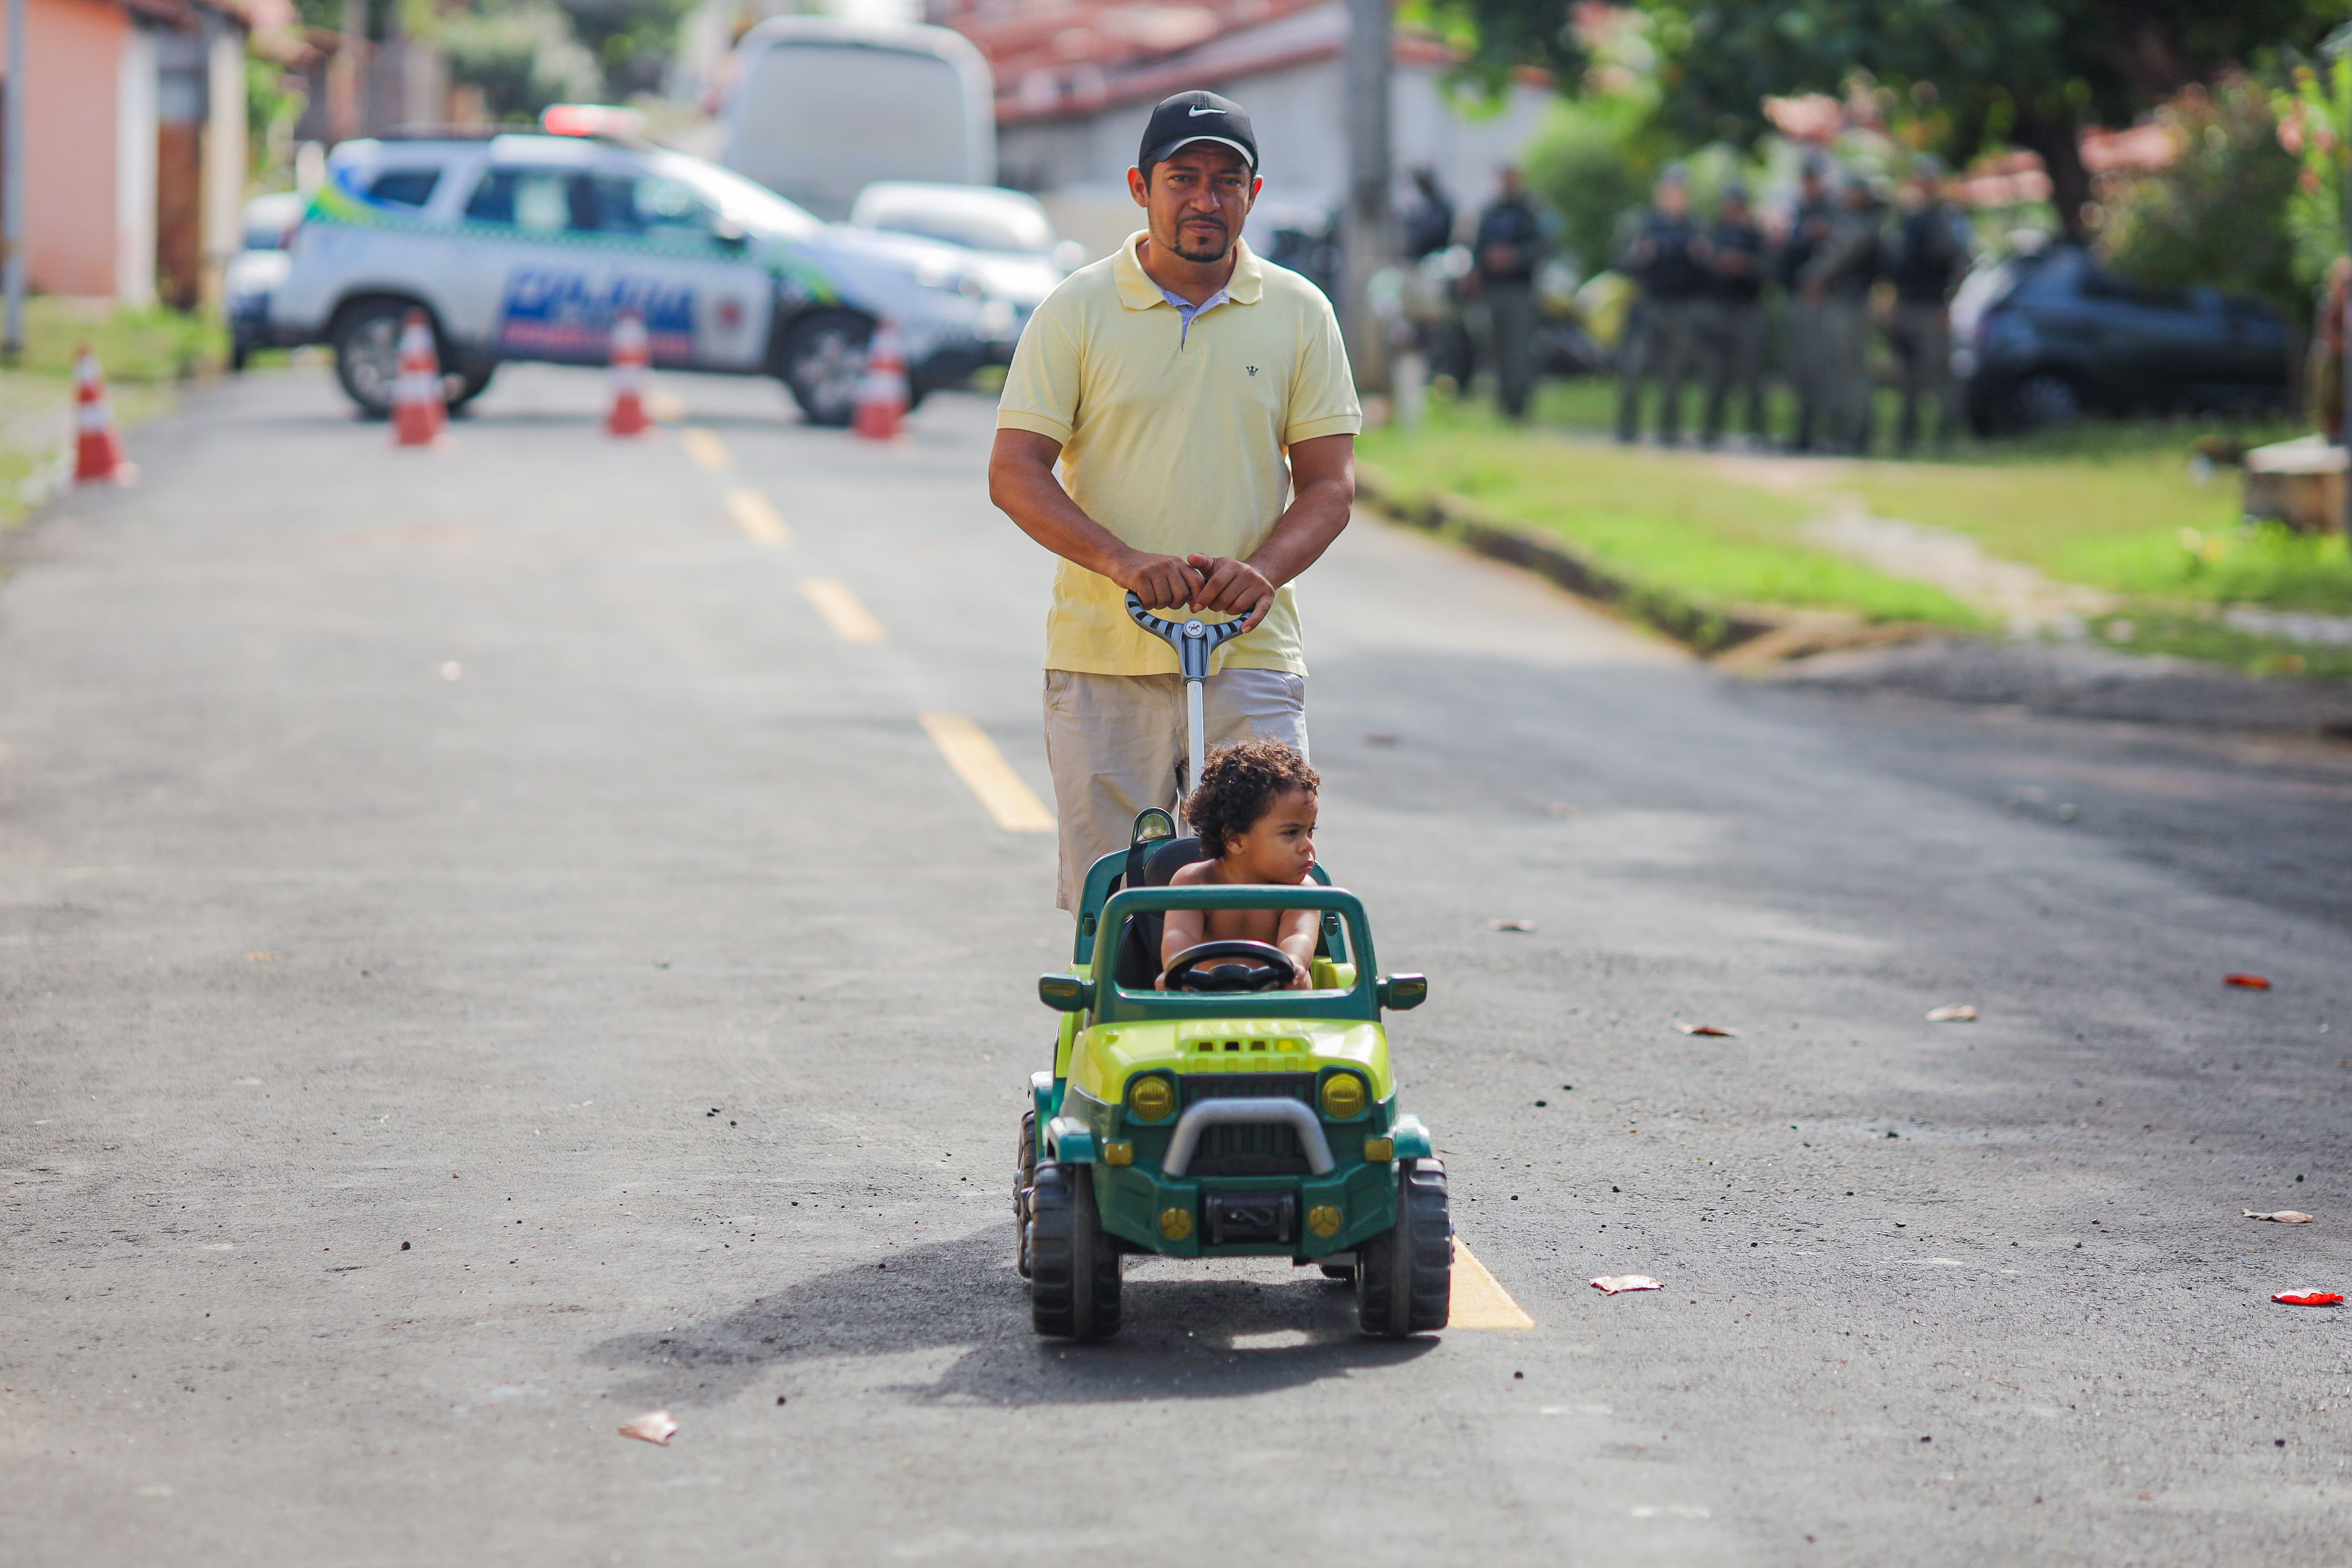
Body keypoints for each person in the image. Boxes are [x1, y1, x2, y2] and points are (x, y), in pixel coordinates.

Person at [987, 90, 1361, 914]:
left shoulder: (1301, 313)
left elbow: (1330, 486)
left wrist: (1260, 573)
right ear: (1140, 187)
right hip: (1103, 657)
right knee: (1117, 900)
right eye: (1182, 177)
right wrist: (1122, 562)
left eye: (1228, 181)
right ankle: (1114, 1041)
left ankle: (1259, 1034)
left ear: (1253, 195)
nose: (1205, 199)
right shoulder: (1076, 309)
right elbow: (1015, 471)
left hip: (1251, 655)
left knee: (1270, 883)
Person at [1158, 740, 1320, 989]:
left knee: (1299, 981)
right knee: (1167, 984)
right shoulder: (1195, 883)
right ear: (1235, 840)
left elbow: (1298, 936)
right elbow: (1180, 935)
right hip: (1204, 999)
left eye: (1310, 831)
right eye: (1291, 833)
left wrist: (1294, 963)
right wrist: (1175, 966)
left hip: (1277, 1001)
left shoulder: (1302, 891)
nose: (1307, 845)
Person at [1614, 164, 1707, 444]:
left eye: (1680, 190)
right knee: (1635, 366)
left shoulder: (1695, 227)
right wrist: (1639, 254)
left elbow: (1710, 269)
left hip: (1682, 305)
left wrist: (1702, 256)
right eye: (1670, 189)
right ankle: (1627, 428)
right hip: (1649, 303)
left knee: (1675, 371)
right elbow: (1619, 261)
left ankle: (1669, 432)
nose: (1674, 196)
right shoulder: (1644, 223)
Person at [1884, 156, 1972, 452]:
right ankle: (1906, 442)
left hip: (1932, 309)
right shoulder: (1907, 220)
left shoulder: (1947, 219)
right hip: (1906, 306)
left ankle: (1944, 441)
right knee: (1906, 380)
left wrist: (1948, 304)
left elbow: (1963, 263)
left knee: (1938, 379)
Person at [1801, 172, 1884, 454]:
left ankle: (1855, 436)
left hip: (1850, 303)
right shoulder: (1857, 221)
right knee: (1842, 370)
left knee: (1849, 371)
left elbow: (1836, 257)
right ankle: (1847, 435)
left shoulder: (1859, 223)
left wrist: (1813, 279)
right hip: (1846, 302)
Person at [1470, 165, 1546, 420]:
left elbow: (1542, 248)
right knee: (1497, 349)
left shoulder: (1529, 213)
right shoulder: (1490, 212)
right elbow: (1477, 248)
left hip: (1520, 290)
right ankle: (1502, 405)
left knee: (1520, 349)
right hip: (1495, 291)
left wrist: (1515, 257)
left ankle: (1520, 406)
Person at [1697, 178, 1768, 446]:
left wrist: (1745, 265)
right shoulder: (1713, 233)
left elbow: (1769, 270)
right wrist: (1717, 262)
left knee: (1752, 374)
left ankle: (1757, 431)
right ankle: (1711, 431)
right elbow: (1700, 267)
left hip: (1748, 308)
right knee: (1715, 375)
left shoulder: (1755, 236)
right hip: (1718, 307)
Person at [1776, 155, 1836, 450]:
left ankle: (1827, 434)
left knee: (1821, 369)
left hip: (1822, 302)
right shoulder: (1797, 211)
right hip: (1796, 296)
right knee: (1799, 369)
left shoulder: (1832, 212)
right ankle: (1803, 432)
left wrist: (1819, 282)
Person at [1401, 166, 1456, 260]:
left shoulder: (1440, 206)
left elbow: (1438, 231)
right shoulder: (1419, 205)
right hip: (1419, 255)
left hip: (1437, 254)